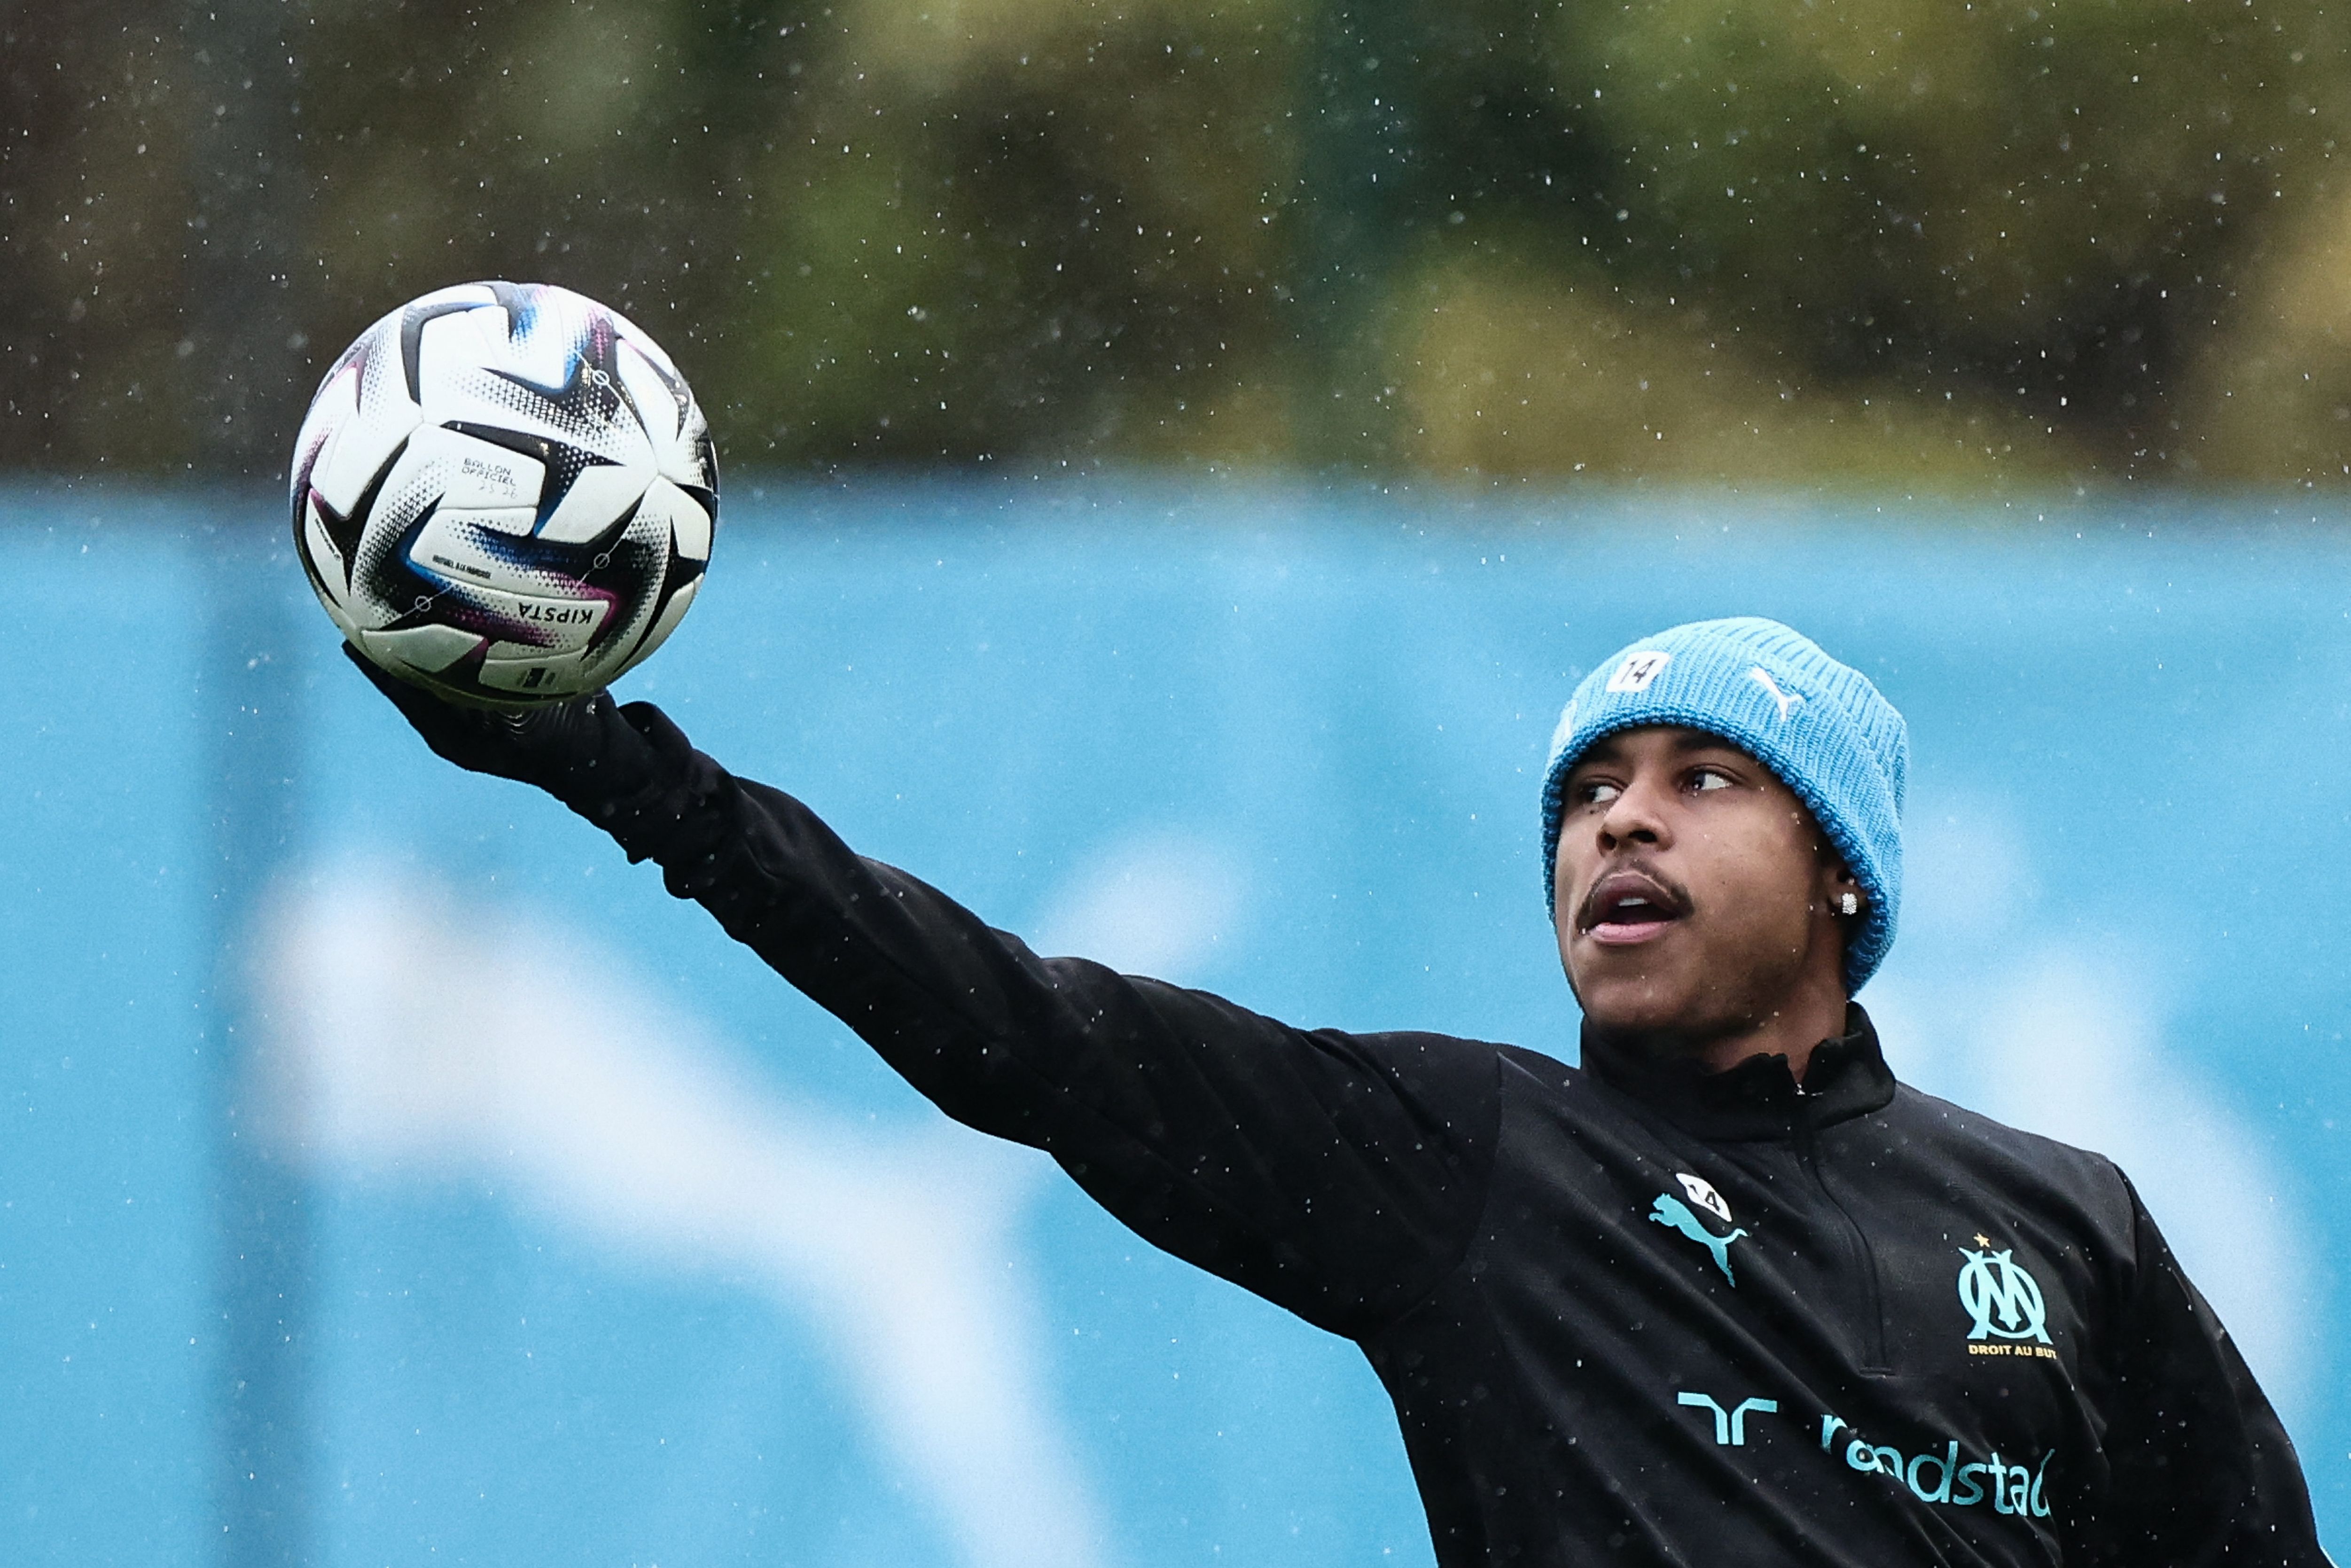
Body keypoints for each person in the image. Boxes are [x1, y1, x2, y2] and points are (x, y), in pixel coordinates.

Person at [351, 614, 2331, 1566]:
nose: (1615, 820)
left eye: (1698, 779)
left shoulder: (2069, 1226)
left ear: (1841, 868)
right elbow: (1016, 1031)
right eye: (1581, 792)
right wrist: (622, 776)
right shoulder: (1471, 1162)